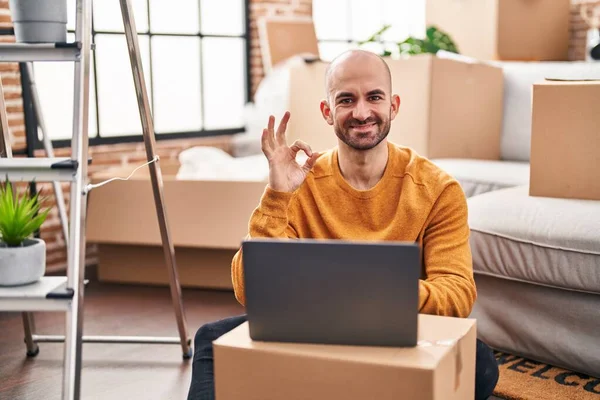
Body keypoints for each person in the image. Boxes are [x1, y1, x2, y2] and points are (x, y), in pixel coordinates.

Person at [187, 49, 499, 400]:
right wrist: (277, 194)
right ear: (327, 111)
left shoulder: (438, 189)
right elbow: (250, 291)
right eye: (346, 100)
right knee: (212, 341)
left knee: (479, 363)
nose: (362, 112)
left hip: (399, 333)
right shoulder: (299, 183)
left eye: (374, 97)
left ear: (393, 106)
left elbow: (457, 293)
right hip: (311, 328)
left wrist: (378, 293)